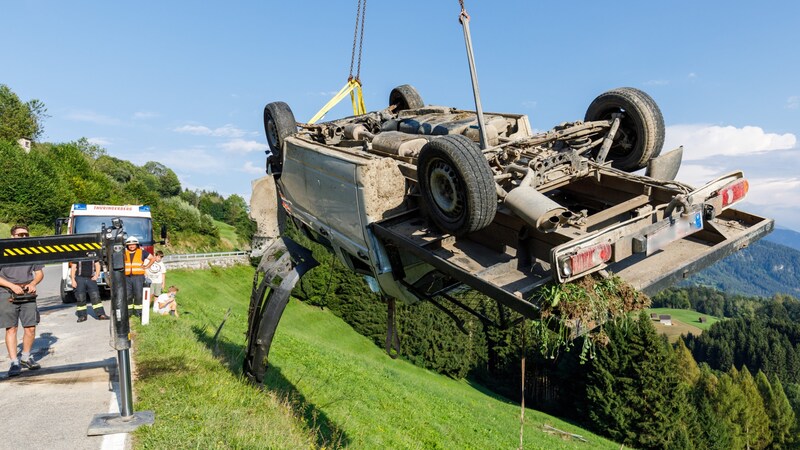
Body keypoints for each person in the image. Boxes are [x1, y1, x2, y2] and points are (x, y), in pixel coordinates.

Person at [0, 225, 44, 377]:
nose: (24, 237)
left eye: (26, 235)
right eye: (20, 235)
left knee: (30, 327)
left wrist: (32, 284)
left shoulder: (32, 252)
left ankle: (25, 357)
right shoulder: (3, 251)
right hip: (7, 293)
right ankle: (14, 362)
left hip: (27, 293)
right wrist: (12, 286)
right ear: (13, 237)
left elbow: (39, 273)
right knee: (11, 328)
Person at [123, 236, 153, 318]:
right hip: (127, 277)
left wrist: (147, 266)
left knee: (138, 295)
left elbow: (152, 258)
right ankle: (128, 312)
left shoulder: (142, 252)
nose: (131, 246)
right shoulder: (123, 253)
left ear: (137, 245)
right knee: (128, 295)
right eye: (129, 245)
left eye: (133, 244)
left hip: (138, 277)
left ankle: (138, 312)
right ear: (127, 246)